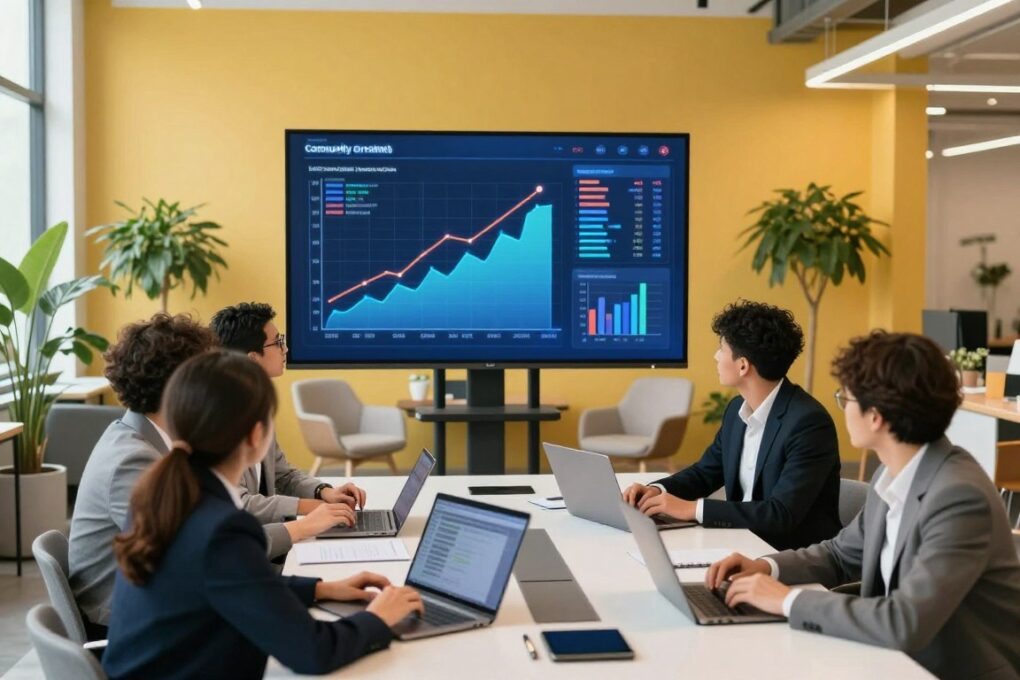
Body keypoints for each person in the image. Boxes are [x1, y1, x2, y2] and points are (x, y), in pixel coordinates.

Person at [706, 331, 1020, 680]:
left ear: (876, 417)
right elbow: (840, 555)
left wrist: (786, 601)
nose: (842, 408)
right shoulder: (896, 471)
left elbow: (905, 622)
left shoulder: (958, 497)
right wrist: (765, 568)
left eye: (846, 398)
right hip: (890, 660)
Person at [103, 351, 423, 679]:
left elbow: (231, 583)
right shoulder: (222, 529)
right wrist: (379, 617)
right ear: (257, 436)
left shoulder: (160, 494)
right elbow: (313, 652)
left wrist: (319, 589)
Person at [623, 300, 842, 550]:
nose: (716, 356)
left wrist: (692, 509)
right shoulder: (736, 411)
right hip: (739, 541)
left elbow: (781, 514)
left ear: (743, 365)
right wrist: (657, 491)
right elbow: (705, 473)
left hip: (786, 555)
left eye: (722, 348)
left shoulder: (808, 423)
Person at [69, 314, 217, 638]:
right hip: (126, 628)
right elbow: (190, 553)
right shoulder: (133, 459)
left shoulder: (147, 437)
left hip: (149, 604)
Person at [211, 302, 367, 558]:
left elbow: (283, 475)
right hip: (246, 552)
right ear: (252, 359)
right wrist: (314, 509)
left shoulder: (256, 405)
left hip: (270, 542)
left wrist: (325, 492)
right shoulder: (217, 418)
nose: (286, 348)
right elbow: (240, 501)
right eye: (277, 342)